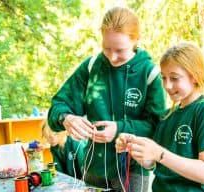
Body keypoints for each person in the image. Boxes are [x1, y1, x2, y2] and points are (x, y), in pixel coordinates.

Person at [47, 6, 166, 191]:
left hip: (131, 170)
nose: (112, 56)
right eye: (106, 48)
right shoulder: (91, 66)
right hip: (94, 166)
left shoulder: (149, 74)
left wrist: (119, 128)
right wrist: (66, 119)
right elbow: (58, 105)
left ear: (136, 40)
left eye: (120, 50)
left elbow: (157, 126)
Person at [116, 42, 204, 192]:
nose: (167, 85)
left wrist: (159, 153)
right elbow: (155, 163)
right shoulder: (167, 116)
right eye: (164, 78)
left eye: (174, 78)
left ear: (195, 76)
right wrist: (136, 148)